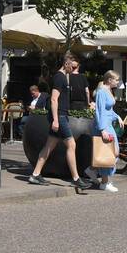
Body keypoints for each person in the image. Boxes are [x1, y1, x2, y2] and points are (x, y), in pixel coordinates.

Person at [27, 53, 90, 191]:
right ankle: (76, 179)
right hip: (60, 116)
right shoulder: (59, 78)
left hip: (61, 116)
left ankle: (35, 174)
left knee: (49, 146)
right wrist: (55, 119)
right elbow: (54, 99)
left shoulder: (63, 77)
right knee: (71, 144)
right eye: (72, 66)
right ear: (66, 64)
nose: (73, 69)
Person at [92, 71, 123, 192]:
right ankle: (104, 183)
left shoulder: (108, 90)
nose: (117, 81)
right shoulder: (101, 92)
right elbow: (99, 111)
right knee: (110, 153)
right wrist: (102, 129)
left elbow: (108, 109)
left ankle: (93, 170)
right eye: (116, 79)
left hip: (108, 125)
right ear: (109, 80)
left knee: (113, 152)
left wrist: (117, 116)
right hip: (104, 126)